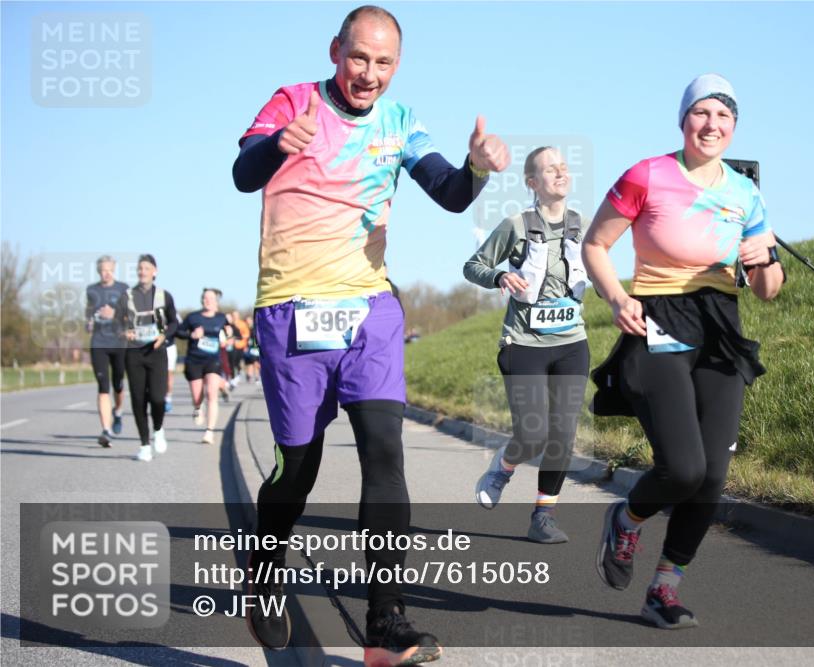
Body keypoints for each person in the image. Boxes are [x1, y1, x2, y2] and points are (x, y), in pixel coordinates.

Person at [231, 5, 509, 664]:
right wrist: (277, 146)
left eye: (384, 63)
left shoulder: (399, 121)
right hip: (292, 310)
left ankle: (385, 622)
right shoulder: (293, 101)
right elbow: (243, 173)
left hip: (370, 311)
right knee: (295, 470)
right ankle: (265, 575)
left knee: (385, 449)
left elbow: (447, 190)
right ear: (335, 52)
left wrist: (475, 169)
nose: (369, 74)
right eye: (359, 58)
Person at [583, 74, 784, 629]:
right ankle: (627, 519)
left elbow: (768, 289)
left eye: (723, 116)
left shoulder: (746, 193)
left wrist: (763, 257)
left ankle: (664, 588)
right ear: (683, 120)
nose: (712, 124)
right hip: (657, 319)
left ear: (735, 126)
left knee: (713, 475)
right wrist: (617, 296)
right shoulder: (647, 174)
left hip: (719, 326)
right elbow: (595, 244)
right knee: (683, 467)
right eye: (702, 113)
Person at [464, 146, 589, 544]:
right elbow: (473, 266)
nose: (560, 172)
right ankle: (502, 468)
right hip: (523, 343)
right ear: (532, 183)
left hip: (572, 342)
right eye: (549, 169)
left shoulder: (583, 225)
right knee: (533, 433)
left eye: (564, 166)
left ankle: (543, 516)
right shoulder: (516, 225)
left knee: (563, 434)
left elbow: (599, 265)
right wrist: (500, 276)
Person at [115, 254, 178, 462]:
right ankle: (144, 444)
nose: (143, 271)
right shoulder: (126, 296)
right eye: (140, 268)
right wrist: (125, 332)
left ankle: (158, 429)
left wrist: (164, 335)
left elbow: (174, 323)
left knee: (158, 398)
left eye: (147, 268)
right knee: (139, 399)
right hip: (134, 353)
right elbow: (116, 324)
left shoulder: (164, 296)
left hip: (157, 352)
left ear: (155, 271)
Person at [175, 289, 229, 445]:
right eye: (205, 298)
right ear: (202, 300)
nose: (208, 300)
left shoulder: (221, 317)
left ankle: (209, 431)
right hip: (194, 360)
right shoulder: (193, 317)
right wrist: (191, 335)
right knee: (197, 396)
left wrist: (230, 333)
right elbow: (178, 332)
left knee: (211, 393)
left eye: (211, 298)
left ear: (216, 301)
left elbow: (230, 332)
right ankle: (197, 407)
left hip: (213, 360)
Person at [85, 255, 128, 447]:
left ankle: (118, 411)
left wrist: (115, 314)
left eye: (109, 269)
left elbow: (131, 315)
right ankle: (106, 430)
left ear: (114, 270)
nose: (106, 273)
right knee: (103, 386)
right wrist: (89, 322)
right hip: (98, 343)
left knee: (118, 384)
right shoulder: (91, 290)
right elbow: (89, 312)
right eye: (103, 270)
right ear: (98, 271)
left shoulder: (123, 289)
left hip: (118, 342)